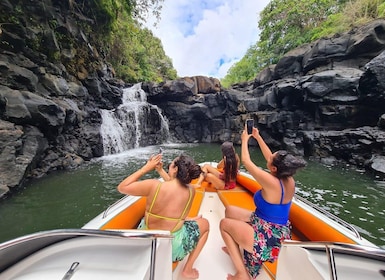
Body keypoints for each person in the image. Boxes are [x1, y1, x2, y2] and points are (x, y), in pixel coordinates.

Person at [219, 126, 306, 280]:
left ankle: (242, 274)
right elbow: (271, 158)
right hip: (270, 226)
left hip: (267, 238)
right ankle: (235, 246)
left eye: (272, 157)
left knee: (224, 224)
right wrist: (258, 137)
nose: (269, 156)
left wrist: (244, 139)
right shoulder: (288, 178)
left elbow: (246, 161)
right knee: (230, 210)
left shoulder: (271, 182)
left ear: (273, 168)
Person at [117, 153, 210, 279]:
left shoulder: (154, 186)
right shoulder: (191, 191)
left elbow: (122, 187)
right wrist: (160, 170)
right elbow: (174, 187)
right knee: (205, 224)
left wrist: (146, 168)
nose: (168, 167)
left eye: (170, 165)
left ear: (176, 169)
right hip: (172, 250)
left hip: (147, 243)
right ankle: (187, 269)